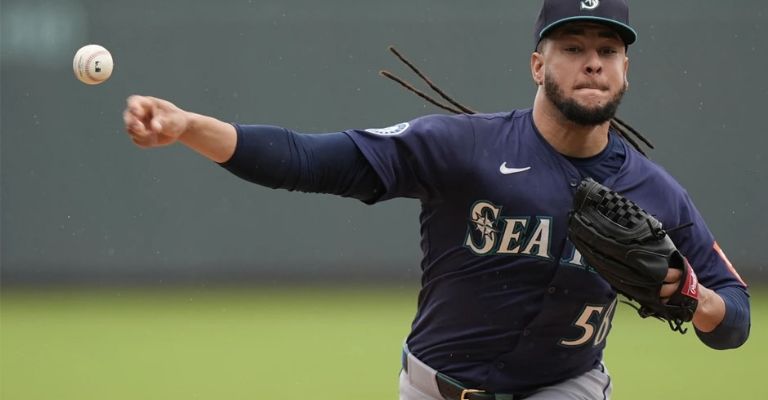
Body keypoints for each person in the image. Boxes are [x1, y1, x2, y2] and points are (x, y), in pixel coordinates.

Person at [122, 0, 750, 398]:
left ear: (625, 71)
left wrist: (690, 296)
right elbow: (309, 160)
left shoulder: (654, 192)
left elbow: (736, 318)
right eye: (573, 48)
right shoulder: (463, 147)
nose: (593, 63)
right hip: (434, 388)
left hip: (566, 387)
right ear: (538, 64)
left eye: (608, 50)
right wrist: (188, 128)